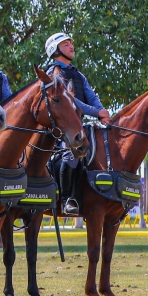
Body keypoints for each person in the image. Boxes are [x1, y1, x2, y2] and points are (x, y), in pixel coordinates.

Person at [44, 32, 109, 214]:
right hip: (61, 128)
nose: (71, 47)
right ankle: (67, 199)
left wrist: (103, 113)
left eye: (70, 44)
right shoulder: (53, 73)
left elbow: (91, 96)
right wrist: (96, 112)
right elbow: (70, 101)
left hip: (78, 126)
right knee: (71, 156)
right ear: (55, 50)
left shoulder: (78, 74)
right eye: (66, 44)